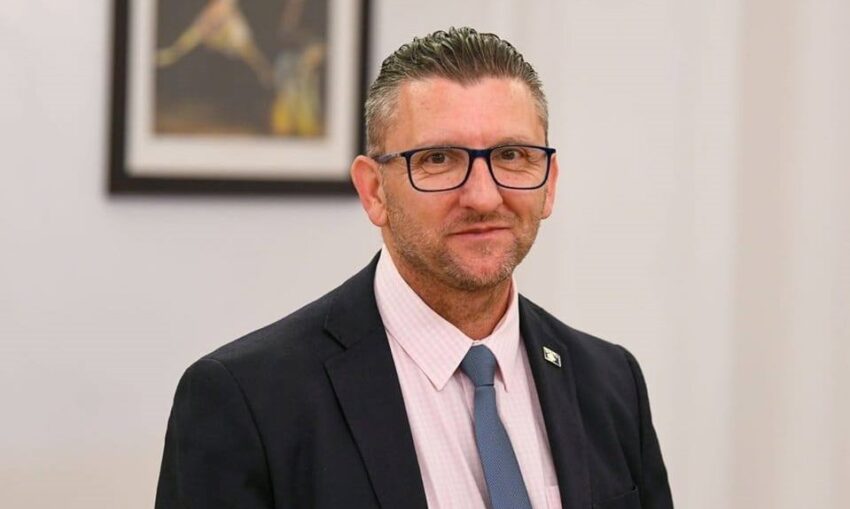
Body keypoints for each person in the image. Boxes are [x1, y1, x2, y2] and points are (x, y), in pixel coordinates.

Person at [155, 27, 674, 509]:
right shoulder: (247, 400)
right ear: (374, 191)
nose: (483, 196)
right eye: (439, 159)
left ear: (550, 182)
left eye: (513, 155)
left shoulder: (610, 382)